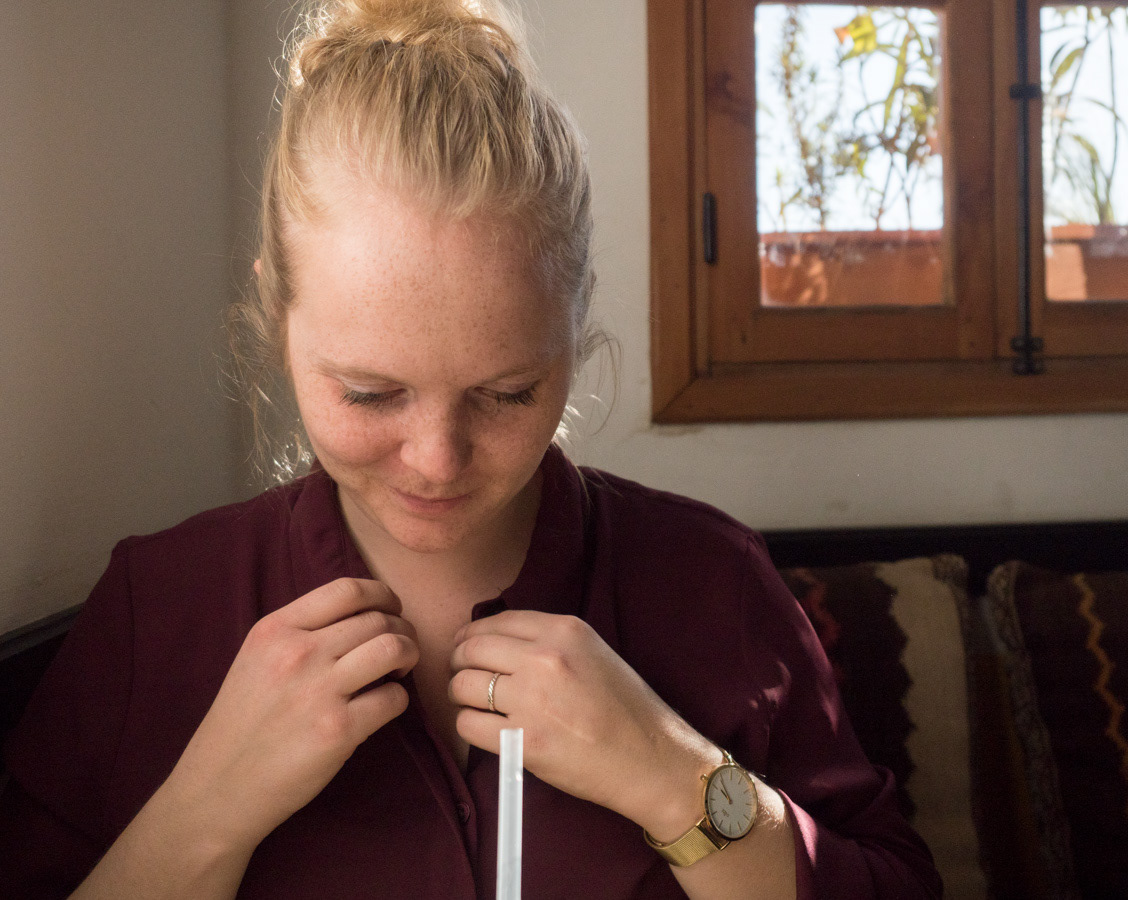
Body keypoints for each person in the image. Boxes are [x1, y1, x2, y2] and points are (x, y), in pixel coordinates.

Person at [0, 1, 942, 897]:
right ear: (279, 317)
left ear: (576, 324)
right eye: (370, 393)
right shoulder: (154, 610)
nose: (437, 461)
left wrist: (673, 777)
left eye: (506, 393)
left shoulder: (713, 581)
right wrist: (208, 812)